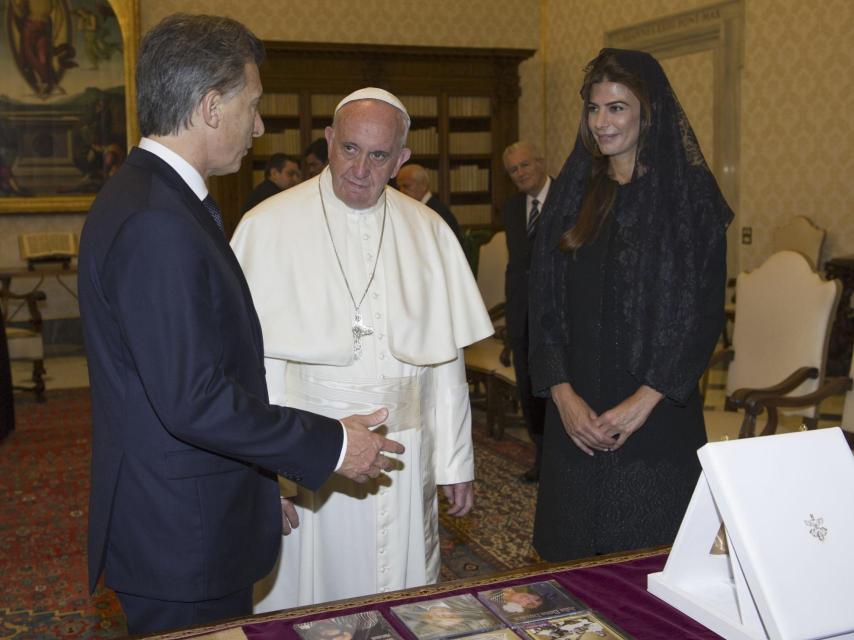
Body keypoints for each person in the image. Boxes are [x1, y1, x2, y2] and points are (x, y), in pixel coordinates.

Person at [77, 16, 403, 634]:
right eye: (251, 107)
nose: (259, 126)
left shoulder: (154, 197)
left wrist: (257, 488)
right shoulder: (157, 221)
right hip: (181, 537)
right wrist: (332, 443)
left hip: (188, 515)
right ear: (209, 106)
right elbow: (192, 402)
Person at [231, 87, 493, 609]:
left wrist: (455, 460)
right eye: (349, 148)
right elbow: (255, 368)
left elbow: (445, 366)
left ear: (401, 159)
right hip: (308, 452)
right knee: (308, 598)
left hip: (405, 448)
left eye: (378, 156)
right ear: (329, 141)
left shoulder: (430, 231)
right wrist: (271, 478)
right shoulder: (268, 224)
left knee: (403, 597)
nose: (359, 169)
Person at [528, 48, 731, 561]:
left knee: (650, 573)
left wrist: (640, 405)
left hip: (656, 417)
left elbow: (701, 317)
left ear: (648, 111)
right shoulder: (571, 193)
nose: (602, 122)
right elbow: (543, 305)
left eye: (616, 107)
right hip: (575, 414)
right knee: (571, 578)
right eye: (594, 109)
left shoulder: (690, 198)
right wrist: (564, 398)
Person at [501, 141, 551, 483]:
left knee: (556, 390)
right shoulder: (511, 208)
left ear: (540, 161)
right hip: (522, 317)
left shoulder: (570, 198)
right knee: (529, 391)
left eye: (524, 165)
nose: (520, 173)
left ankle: (560, 459)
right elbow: (516, 267)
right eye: (513, 170)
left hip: (557, 319)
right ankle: (541, 456)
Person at [396, 163, 462, 243]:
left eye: (406, 186)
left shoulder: (437, 212)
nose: (401, 191)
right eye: (399, 187)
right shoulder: (418, 208)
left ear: (423, 185)